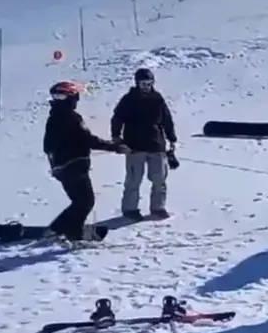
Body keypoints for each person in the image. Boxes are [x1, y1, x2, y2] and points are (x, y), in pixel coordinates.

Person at [43, 81, 129, 241]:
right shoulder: (70, 117)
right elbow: (88, 140)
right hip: (73, 166)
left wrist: (55, 164)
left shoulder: (54, 117)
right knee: (85, 201)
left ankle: (57, 228)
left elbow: (47, 146)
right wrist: (115, 147)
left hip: (62, 167)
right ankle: (74, 233)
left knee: (80, 201)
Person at [110, 68, 177, 220]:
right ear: (137, 83)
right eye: (143, 83)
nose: (146, 86)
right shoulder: (128, 99)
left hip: (156, 145)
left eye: (149, 83)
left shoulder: (157, 99)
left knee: (159, 179)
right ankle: (130, 209)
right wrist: (116, 137)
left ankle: (158, 208)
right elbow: (117, 118)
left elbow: (167, 120)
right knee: (134, 179)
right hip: (134, 146)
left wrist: (172, 139)